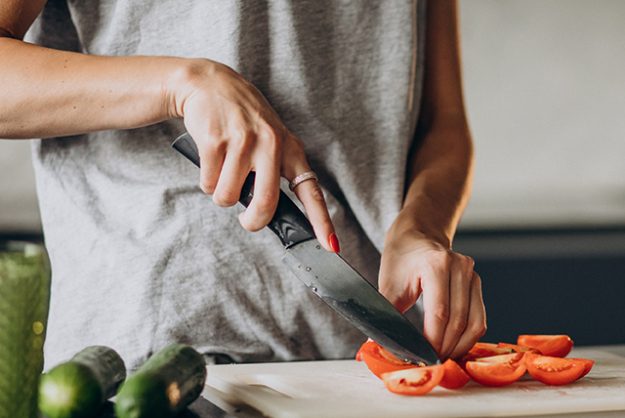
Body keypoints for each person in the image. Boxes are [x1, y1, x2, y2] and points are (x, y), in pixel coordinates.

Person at [0, 0, 486, 369]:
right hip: (155, 356)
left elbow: (441, 124)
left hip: (352, 359)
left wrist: (421, 228)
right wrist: (182, 84)